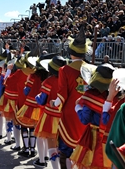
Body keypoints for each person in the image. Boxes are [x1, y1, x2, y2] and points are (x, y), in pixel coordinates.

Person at [49, 26, 89, 169]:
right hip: (86, 111)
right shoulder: (91, 68)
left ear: (71, 53)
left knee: (66, 149)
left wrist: (54, 103)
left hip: (69, 113)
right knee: (83, 148)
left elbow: (62, 94)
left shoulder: (64, 69)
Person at [71, 63, 115, 169]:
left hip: (93, 138)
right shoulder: (115, 96)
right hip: (111, 138)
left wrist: (77, 107)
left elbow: (85, 119)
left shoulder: (90, 95)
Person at [33, 55, 67, 168]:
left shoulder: (49, 81)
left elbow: (42, 101)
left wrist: (37, 97)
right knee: (62, 144)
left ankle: (48, 164)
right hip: (64, 116)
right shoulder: (67, 81)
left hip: (50, 115)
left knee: (50, 142)